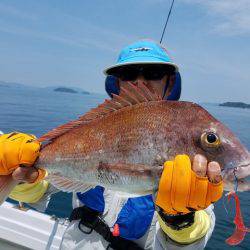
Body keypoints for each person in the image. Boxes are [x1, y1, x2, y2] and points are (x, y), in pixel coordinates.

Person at [0, 40, 223, 249]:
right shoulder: (91, 130)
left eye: (154, 73)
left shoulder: (184, 138)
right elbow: (39, 190)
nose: (140, 81)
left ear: (170, 81)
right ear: (117, 82)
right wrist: (19, 175)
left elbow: (193, 238)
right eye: (128, 74)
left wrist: (181, 218)